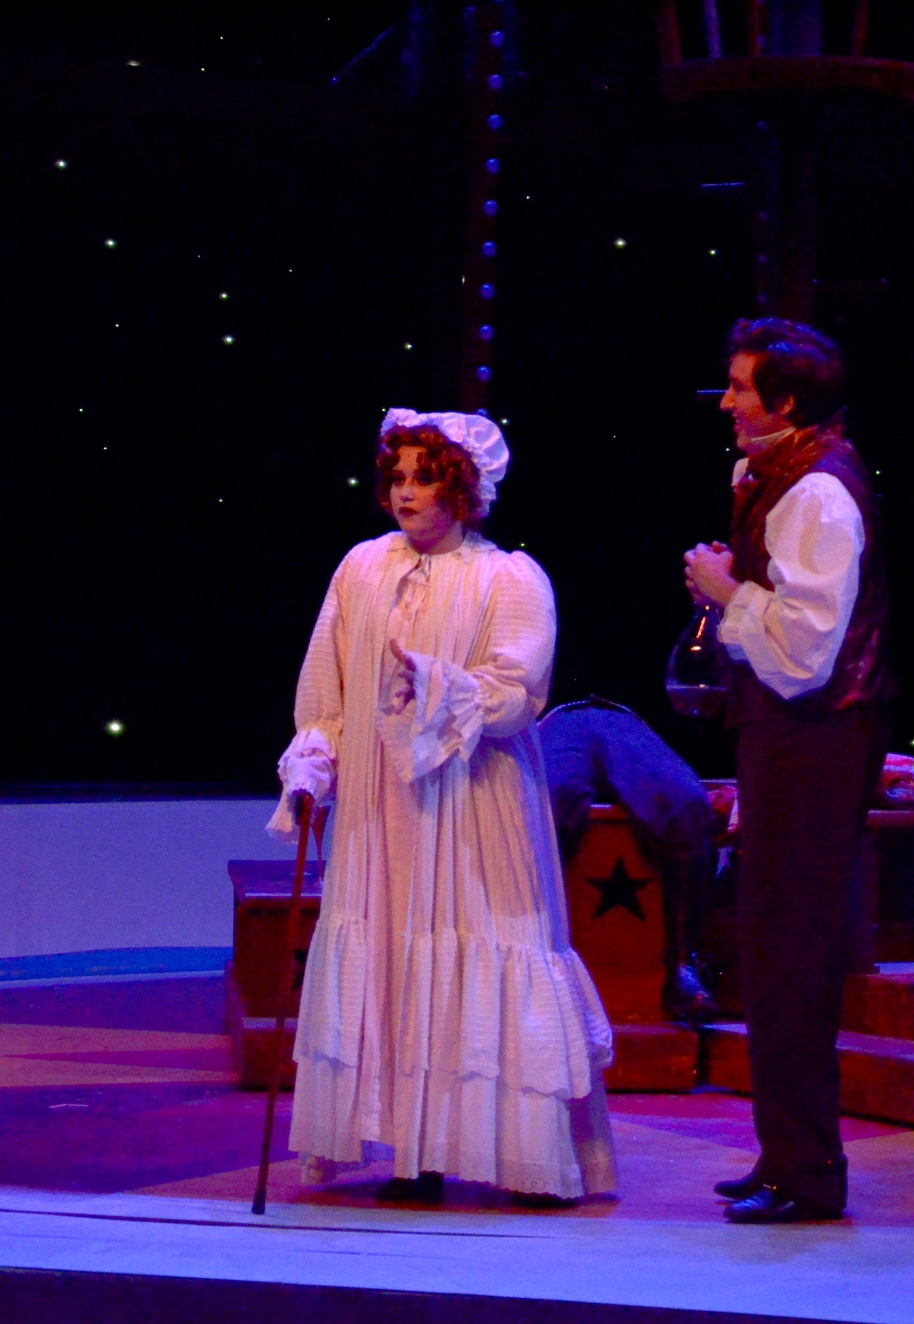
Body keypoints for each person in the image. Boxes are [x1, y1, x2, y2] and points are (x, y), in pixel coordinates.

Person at [270, 408, 616, 1207]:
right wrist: (315, 763)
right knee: (392, 960)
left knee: (489, 946)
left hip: (473, 804)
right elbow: (327, 690)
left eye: (425, 478)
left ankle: (526, 1159)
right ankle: (412, 1155)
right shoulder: (361, 568)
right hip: (381, 810)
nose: (405, 492)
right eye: (397, 477)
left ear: (462, 488)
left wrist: (433, 684)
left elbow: (516, 695)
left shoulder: (510, 578)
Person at [682, 319, 897, 1223]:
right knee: (773, 945)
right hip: (786, 730)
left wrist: (728, 593)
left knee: (796, 948)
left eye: (740, 387)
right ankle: (786, 1157)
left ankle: (805, 1173)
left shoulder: (818, 493)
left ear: (787, 402)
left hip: (817, 733)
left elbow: (809, 651)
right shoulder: (778, 477)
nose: (726, 402)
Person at [537, 696, 718, 1022]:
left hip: (624, 716)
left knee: (685, 803)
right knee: (541, 802)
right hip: (555, 712)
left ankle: (683, 962)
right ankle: (534, 965)